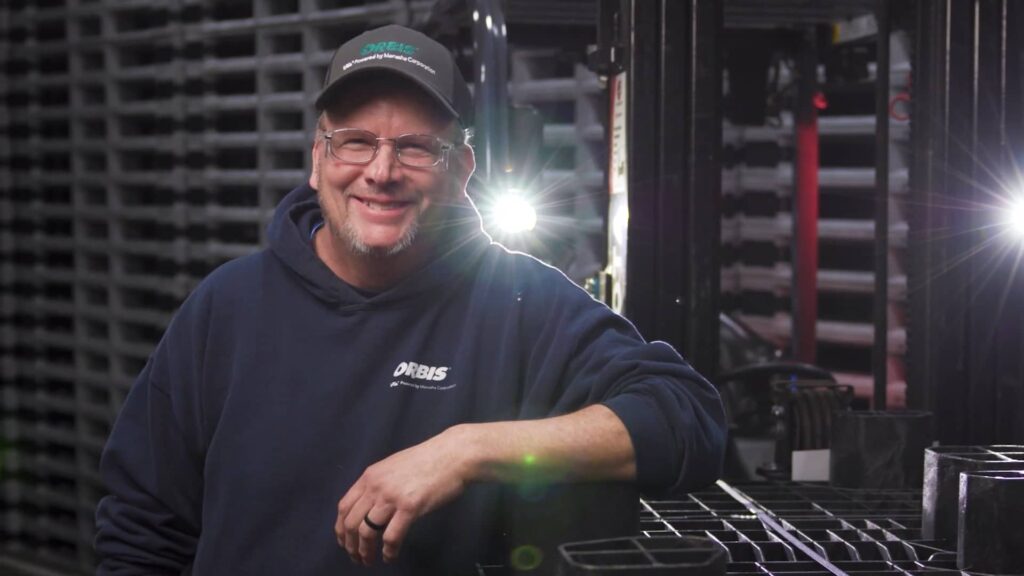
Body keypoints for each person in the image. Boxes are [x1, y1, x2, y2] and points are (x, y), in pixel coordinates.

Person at [94, 24, 726, 575]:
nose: (381, 170)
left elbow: (687, 419)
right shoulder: (225, 308)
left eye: (417, 147)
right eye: (355, 141)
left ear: (462, 169)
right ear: (319, 159)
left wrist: (470, 450)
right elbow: (143, 525)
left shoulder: (519, 303)